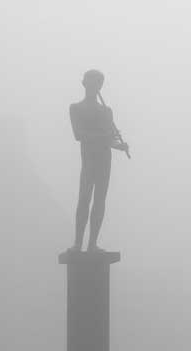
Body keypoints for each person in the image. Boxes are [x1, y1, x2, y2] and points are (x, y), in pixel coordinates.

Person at [69, 69, 129, 252]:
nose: (95, 86)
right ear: (84, 83)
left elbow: (110, 140)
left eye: (98, 83)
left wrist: (120, 146)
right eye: (92, 81)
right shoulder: (76, 108)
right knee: (84, 198)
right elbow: (79, 135)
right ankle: (78, 244)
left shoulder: (106, 111)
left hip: (104, 159)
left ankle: (92, 243)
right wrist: (104, 136)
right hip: (89, 159)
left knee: (100, 200)